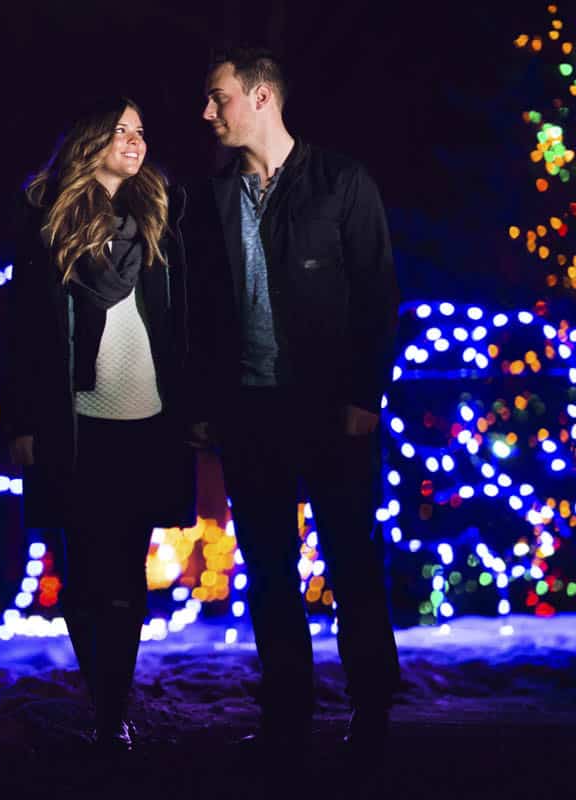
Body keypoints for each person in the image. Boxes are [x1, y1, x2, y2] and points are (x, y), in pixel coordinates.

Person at [184, 48, 402, 765]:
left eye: (219, 98)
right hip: (250, 408)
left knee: (350, 560)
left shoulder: (341, 182)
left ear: (262, 96)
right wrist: (206, 401)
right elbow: (203, 312)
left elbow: (375, 293)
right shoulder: (211, 197)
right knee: (269, 567)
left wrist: (362, 396)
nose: (208, 112)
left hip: (331, 407)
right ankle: (287, 713)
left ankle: (372, 710)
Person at [1, 97, 196, 753]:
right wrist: (19, 422)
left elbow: (185, 324)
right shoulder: (45, 227)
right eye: (120, 130)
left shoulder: (156, 219)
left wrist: (192, 407)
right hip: (78, 423)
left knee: (126, 573)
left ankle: (114, 708)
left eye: (142, 130)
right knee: (84, 575)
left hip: (147, 418)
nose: (136, 142)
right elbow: (21, 332)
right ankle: (105, 701)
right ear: (89, 141)